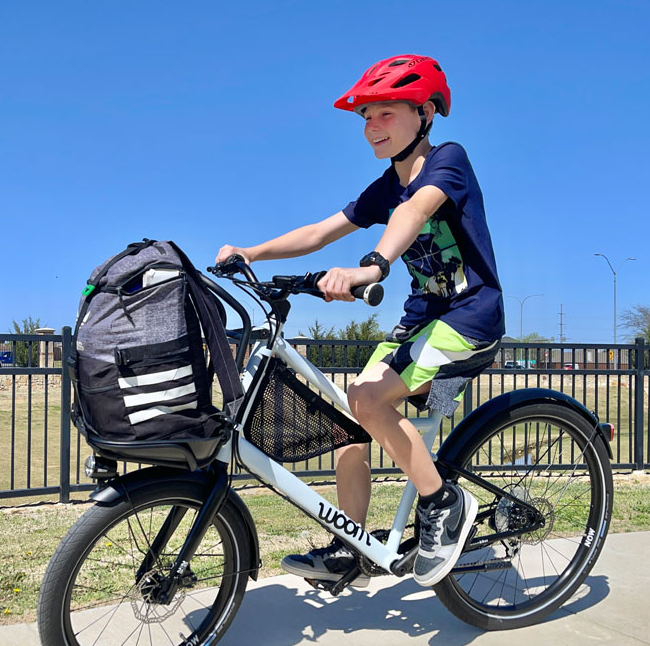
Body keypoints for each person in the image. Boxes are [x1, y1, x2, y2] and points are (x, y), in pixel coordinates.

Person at [216, 54, 504, 587]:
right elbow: (323, 231)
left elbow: (413, 212)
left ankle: (443, 502)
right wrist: (252, 253)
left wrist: (373, 264)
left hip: (470, 320)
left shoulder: (448, 160)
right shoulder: (384, 185)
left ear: (425, 112)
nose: (372, 127)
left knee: (371, 399)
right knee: (355, 408)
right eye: (366, 117)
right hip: (423, 321)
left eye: (386, 114)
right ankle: (351, 548)